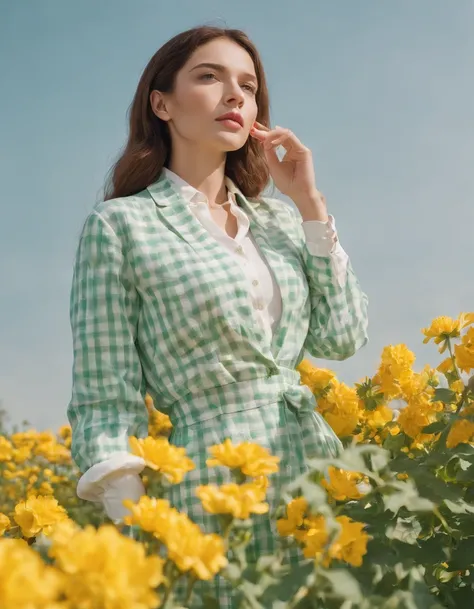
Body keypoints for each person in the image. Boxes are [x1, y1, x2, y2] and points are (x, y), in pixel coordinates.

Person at [68, 25, 369, 608]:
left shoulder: (280, 223)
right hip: (208, 493)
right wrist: (143, 532)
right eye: (210, 77)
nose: (235, 95)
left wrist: (310, 206)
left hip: (321, 476)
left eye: (248, 86)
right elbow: (105, 394)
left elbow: (342, 336)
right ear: (162, 103)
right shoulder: (120, 227)